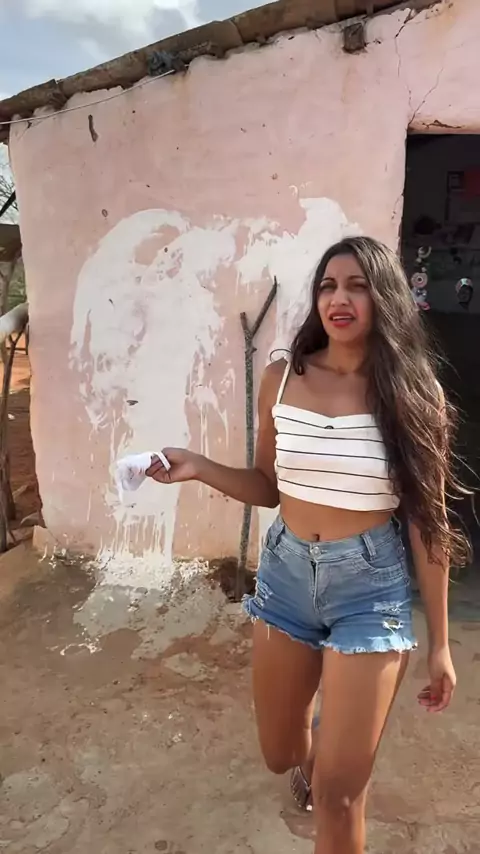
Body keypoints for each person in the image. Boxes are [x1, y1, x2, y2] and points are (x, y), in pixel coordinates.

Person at [146, 236, 469, 854]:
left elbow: (429, 526)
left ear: (386, 298)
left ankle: (339, 754)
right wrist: (198, 467)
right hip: (286, 578)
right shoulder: (281, 380)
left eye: (357, 286)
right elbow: (266, 486)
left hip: (369, 590)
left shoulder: (414, 393)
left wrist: (440, 647)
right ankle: (325, 737)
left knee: (338, 794)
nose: (338, 299)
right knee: (281, 753)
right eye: (328, 286)